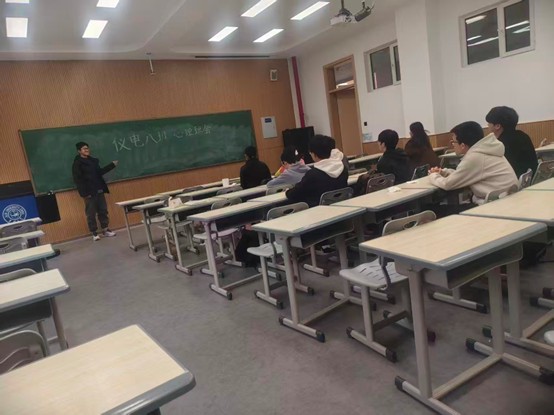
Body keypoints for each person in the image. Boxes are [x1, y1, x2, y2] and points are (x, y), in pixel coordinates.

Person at [428, 121, 518, 205]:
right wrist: (444, 172)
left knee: (443, 211)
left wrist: (433, 175)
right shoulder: (486, 150)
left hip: (495, 204)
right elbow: (466, 174)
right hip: (508, 199)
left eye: (453, 142)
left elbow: (447, 184)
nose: (453, 145)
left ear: (462, 145)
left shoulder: (474, 157)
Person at [72, 142, 118, 241]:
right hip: (88, 192)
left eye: (87, 148)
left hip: (99, 189)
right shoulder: (77, 163)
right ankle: (94, 232)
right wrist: (84, 193)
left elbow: (99, 172)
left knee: (103, 210)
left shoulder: (93, 161)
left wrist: (111, 165)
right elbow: (78, 180)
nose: (87, 150)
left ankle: (105, 229)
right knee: (91, 213)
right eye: (84, 149)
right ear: (79, 151)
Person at [286, 134, 348, 207]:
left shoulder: (313, 174)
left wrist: (287, 191)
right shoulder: (342, 169)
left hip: (317, 210)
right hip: (341, 207)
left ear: (314, 154)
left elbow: (294, 194)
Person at [486, 106, 538, 178]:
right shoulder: (523, 136)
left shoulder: (499, 144)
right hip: (530, 180)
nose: (487, 125)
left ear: (497, 126)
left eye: (489, 123)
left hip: (513, 182)